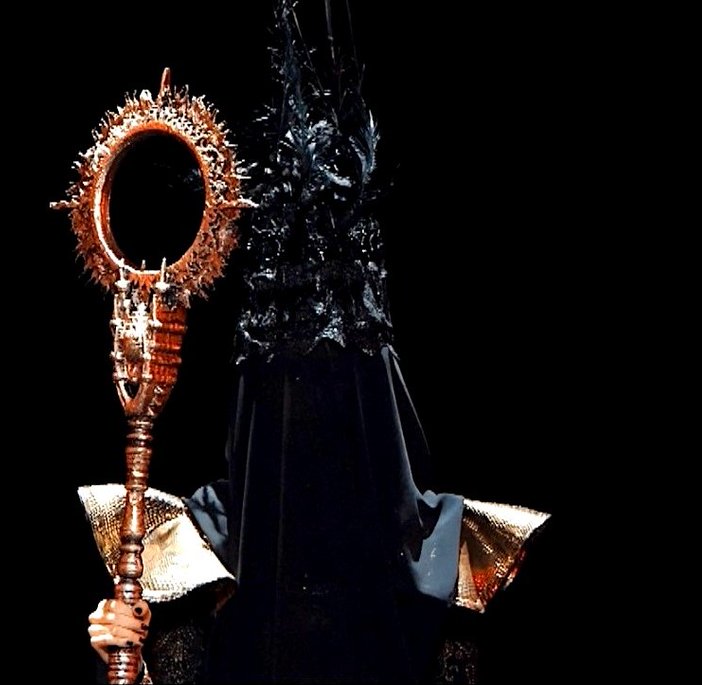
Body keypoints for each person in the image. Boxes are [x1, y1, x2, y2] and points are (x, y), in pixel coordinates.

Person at [79, 2, 550, 682]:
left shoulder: (449, 575)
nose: (309, 441)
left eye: (337, 405)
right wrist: (124, 658)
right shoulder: (194, 561)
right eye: (284, 405)